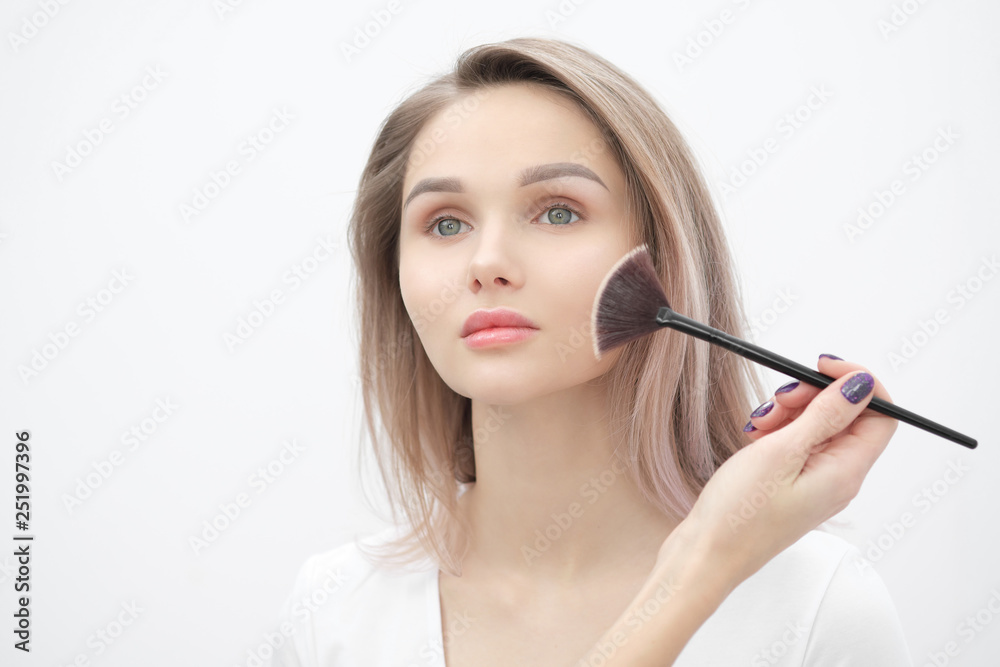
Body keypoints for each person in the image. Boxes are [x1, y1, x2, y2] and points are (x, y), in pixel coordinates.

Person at [270, 37, 911, 666]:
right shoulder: (334, 616)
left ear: (661, 260)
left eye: (557, 213)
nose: (487, 262)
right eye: (446, 223)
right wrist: (696, 575)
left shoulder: (816, 608)